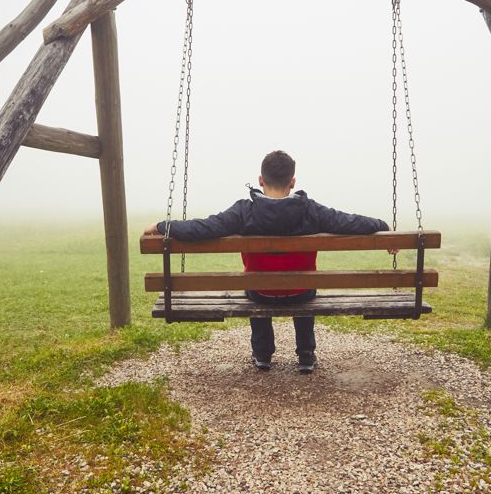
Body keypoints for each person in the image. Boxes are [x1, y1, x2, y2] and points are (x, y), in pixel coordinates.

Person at [144, 150, 388, 373]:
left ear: (261, 180)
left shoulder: (244, 211)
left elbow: (203, 228)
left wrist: (163, 226)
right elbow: (350, 222)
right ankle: (306, 355)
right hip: (301, 292)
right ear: (292, 182)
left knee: (254, 284)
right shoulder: (311, 211)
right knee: (305, 285)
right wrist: (383, 227)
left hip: (261, 292)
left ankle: (262, 354)